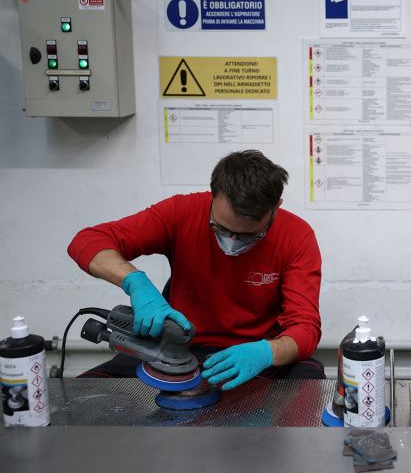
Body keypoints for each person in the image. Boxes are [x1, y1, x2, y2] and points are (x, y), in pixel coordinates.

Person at [68, 150, 324, 388]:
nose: (232, 243)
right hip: (177, 349)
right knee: (85, 392)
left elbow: (305, 327)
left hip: (252, 355)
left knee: (310, 384)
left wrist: (268, 352)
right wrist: (135, 282)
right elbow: (87, 242)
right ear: (213, 195)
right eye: (222, 230)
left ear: (276, 207)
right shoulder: (182, 212)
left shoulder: (297, 236)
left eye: (250, 235)